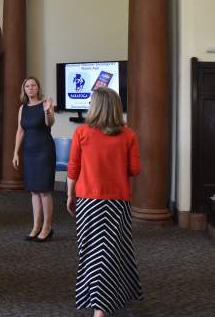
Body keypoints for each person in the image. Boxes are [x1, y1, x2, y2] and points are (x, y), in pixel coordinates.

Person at [66, 87, 143, 317]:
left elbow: (73, 169)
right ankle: (108, 301)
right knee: (112, 251)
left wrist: (70, 196)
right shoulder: (129, 135)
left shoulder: (81, 132)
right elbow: (135, 169)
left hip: (88, 201)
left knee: (91, 252)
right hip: (118, 202)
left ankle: (99, 307)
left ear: (95, 106)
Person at [12, 76, 56, 242]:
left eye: (33, 85)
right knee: (34, 191)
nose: (30, 88)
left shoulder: (45, 104)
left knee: (44, 190)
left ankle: (47, 226)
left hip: (44, 150)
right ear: (24, 89)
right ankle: (36, 226)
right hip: (28, 151)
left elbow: (50, 123)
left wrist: (47, 110)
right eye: (27, 86)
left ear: (38, 88)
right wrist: (16, 152)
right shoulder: (23, 108)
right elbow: (20, 131)